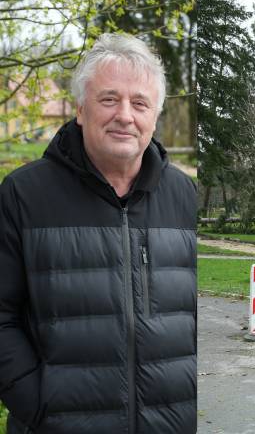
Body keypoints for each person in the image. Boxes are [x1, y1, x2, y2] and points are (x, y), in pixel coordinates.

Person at [0, 33, 196, 433]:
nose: (125, 115)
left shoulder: (184, 196)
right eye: (109, 99)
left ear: (154, 117)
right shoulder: (23, 195)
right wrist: (39, 405)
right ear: (80, 110)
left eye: (139, 103)